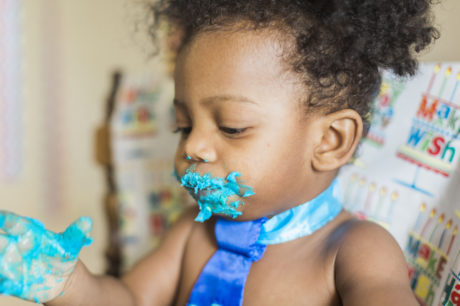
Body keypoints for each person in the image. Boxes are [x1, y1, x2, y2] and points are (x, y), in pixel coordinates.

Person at [0, 0, 439, 305]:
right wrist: (67, 281)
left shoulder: (356, 250)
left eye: (232, 127)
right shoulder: (190, 236)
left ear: (330, 141)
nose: (191, 145)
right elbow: (128, 299)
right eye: (183, 126)